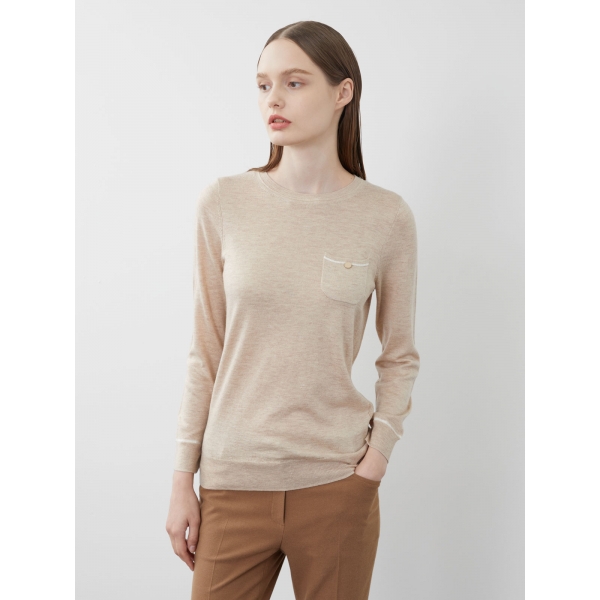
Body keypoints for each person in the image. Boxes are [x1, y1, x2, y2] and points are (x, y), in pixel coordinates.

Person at [165, 20, 421, 600]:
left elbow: (400, 355)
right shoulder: (225, 203)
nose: (273, 100)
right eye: (263, 85)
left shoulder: (386, 217)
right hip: (232, 482)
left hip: (337, 485)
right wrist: (183, 478)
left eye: (294, 82)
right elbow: (205, 351)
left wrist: (374, 462)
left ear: (343, 92)